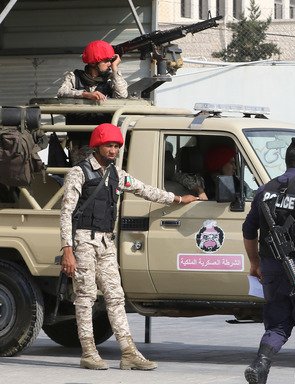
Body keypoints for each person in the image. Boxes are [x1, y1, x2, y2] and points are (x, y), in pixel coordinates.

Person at [59, 123, 198, 370]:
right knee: (86, 297)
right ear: (97, 146)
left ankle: (128, 351)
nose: (112, 150)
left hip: (106, 242)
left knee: (115, 297)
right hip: (83, 241)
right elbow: (66, 212)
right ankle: (89, 351)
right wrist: (67, 250)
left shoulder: (117, 175)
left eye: (115, 146)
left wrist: (177, 198)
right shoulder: (79, 173)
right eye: (108, 145)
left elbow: (146, 190)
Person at [242, 138, 295, 384]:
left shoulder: (265, 189)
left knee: (277, 326)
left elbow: (248, 230)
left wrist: (255, 263)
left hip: (271, 267)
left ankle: (260, 365)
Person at [57, 40, 128, 100]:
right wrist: (85, 94)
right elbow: (61, 92)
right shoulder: (74, 77)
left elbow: (122, 96)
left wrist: (115, 68)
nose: (110, 64)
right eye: (106, 61)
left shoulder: (111, 79)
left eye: (110, 60)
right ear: (93, 63)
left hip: (104, 116)